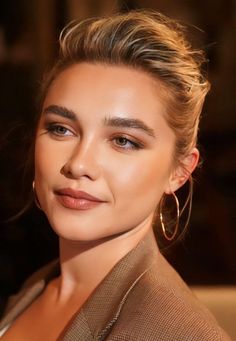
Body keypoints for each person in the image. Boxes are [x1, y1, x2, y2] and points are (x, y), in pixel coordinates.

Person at [0, 10, 231, 340]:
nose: (79, 164)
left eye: (123, 140)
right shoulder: (36, 287)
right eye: (61, 129)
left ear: (180, 171)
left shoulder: (173, 331)